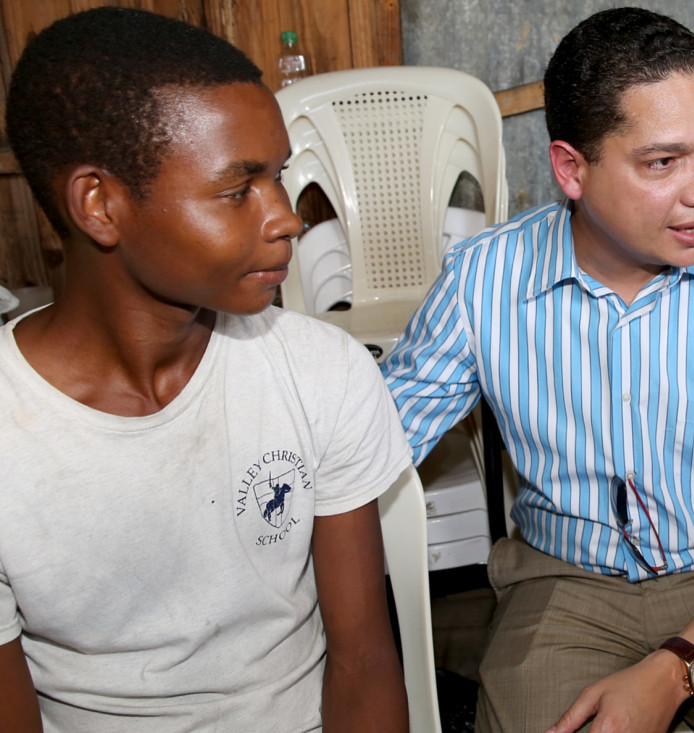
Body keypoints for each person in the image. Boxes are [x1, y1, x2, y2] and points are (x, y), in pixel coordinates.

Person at [383, 7, 694, 732]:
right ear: (572, 168)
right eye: (663, 162)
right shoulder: (484, 280)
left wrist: (677, 667)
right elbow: (375, 447)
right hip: (563, 580)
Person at [0, 8, 410, 731]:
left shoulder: (321, 372)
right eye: (236, 189)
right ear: (99, 205)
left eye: (278, 178)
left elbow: (364, 663)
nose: (286, 218)